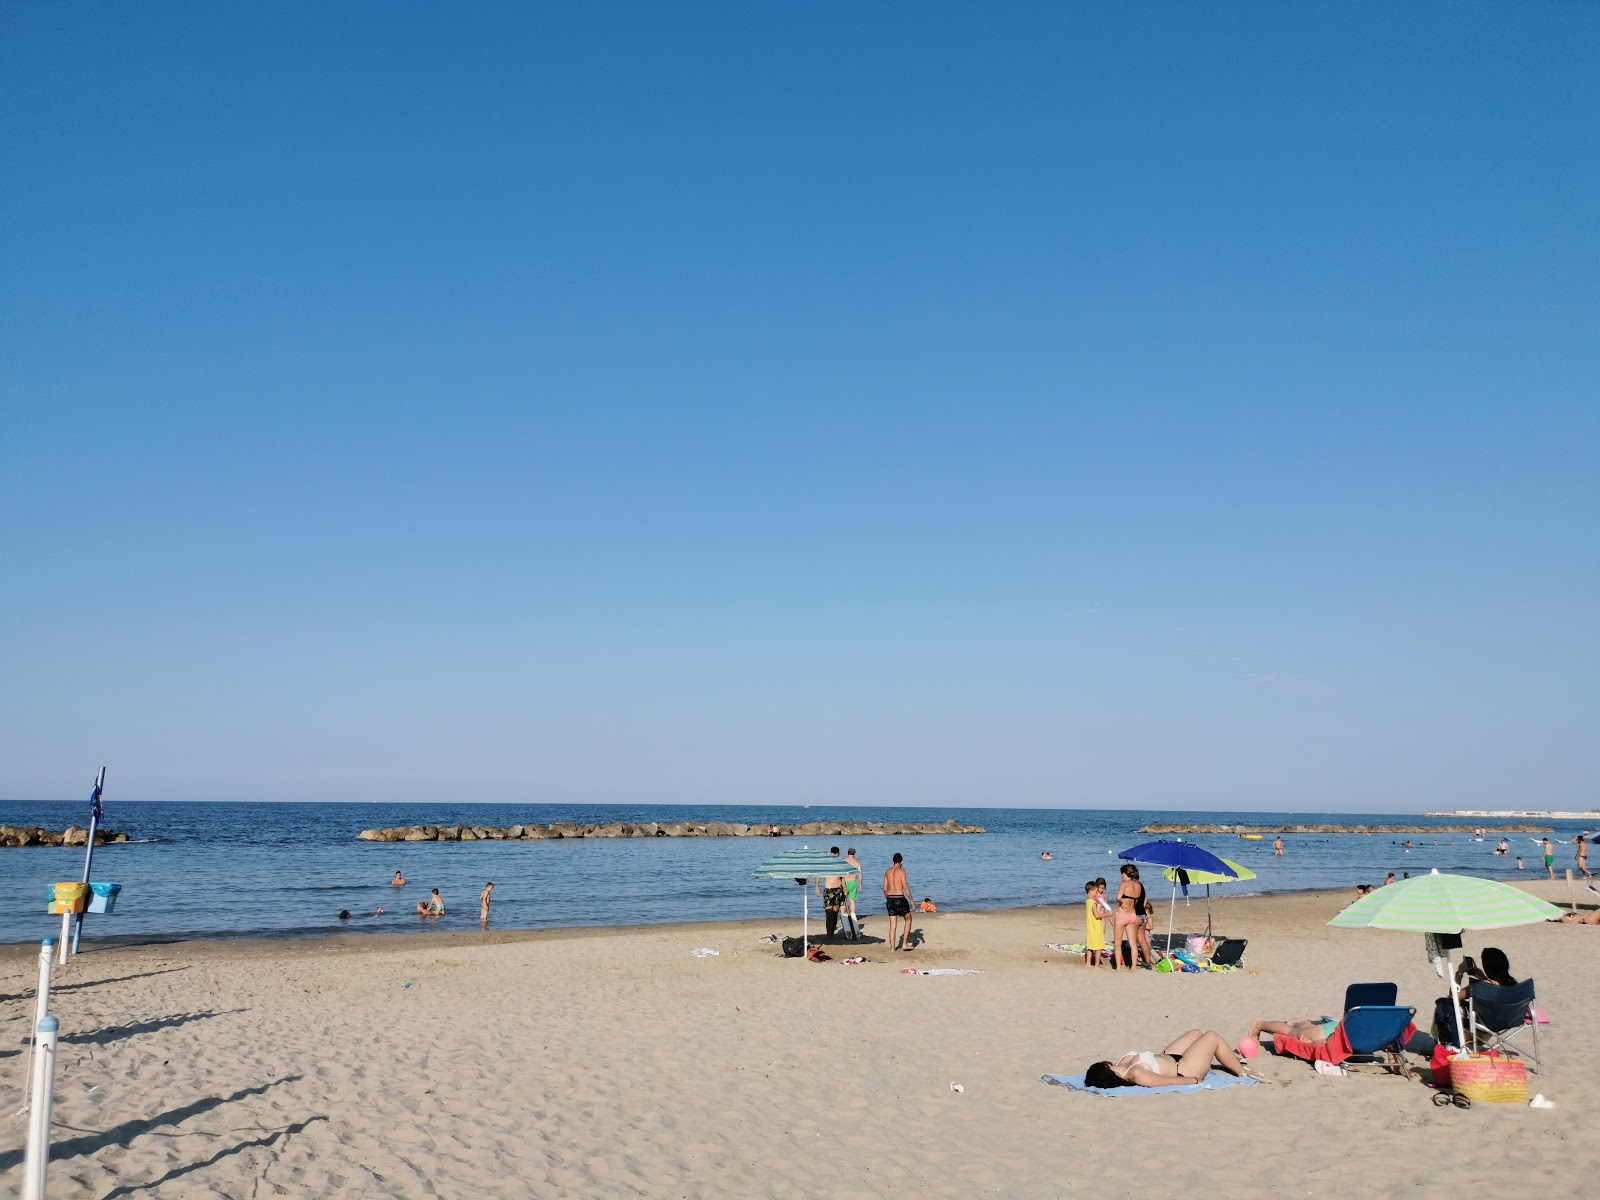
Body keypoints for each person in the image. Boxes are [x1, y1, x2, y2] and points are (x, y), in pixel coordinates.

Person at [1083, 1030, 1253, 1089]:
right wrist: (1194, 1080)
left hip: (1168, 1056)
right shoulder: (1135, 1074)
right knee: (1211, 1037)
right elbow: (1167, 1082)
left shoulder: (1121, 1064)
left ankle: (1228, 1059)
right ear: (1105, 1068)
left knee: (1196, 1033)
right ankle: (1241, 1072)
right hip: (1183, 1068)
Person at [1115, 864, 1147, 969]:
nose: (1121, 876)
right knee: (1133, 944)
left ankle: (1119, 968)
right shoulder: (1138, 885)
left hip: (1122, 915)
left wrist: (1122, 903)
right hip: (1132, 915)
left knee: (1117, 944)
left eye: (1122, 874)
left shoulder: (1124, 883)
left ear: (1125, 874)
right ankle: (1133, 967)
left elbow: (1118, 897)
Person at [883, 852, 913, 951]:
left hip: (890, 898)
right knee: (908, 919)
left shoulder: (887, 872)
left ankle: (892, 948)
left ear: (893, 861)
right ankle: (904, 944)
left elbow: (884, 888)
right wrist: (911, 900)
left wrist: (887, 898)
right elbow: (905, 886)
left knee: (892, 925)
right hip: (900, 898)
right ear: (901, 862)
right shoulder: (902, 871)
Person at [1247, 1015, 1335, 1045]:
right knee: (1289, 1031)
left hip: (1334, 1027)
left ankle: (1299, 1023)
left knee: (1311, 1030)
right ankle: (1260, 1024)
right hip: (1324, 1035)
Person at [818, 846, 846, 938]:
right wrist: (816, 887)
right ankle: (829, 934)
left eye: (836, 854)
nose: (835, 855)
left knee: (835, 914)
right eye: (833, 853)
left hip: (838, 890)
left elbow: (842, 878)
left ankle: (831, 934)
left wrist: (845, 890)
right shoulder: (826, 864)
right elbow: (818, 875)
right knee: (829, 914)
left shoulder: (840, 864)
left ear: (838, 854)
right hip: (828, 890)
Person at [1082, 880, 1104, 969]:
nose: (1096, 893)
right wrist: (1108, 914)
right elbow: (1097, 915)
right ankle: (1097, 965)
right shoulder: (1093, 903)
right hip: (1096, 926)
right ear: (1091, 891)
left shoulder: (1088, 901)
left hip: (1090, 926)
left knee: (1090, 946)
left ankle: (1088, 963)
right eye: (1095, 891)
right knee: (1098, 947)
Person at [842, 848, 863, 940]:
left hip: (845, 882)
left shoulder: (844, 861)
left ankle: (843, 914)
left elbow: (841, 872)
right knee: (852, 901)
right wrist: (860, 884)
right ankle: (853, 914)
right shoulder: (857, 863)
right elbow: (860, 874)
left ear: (848, 853)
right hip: (853, 882)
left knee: (843, 901)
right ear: (854, 854)